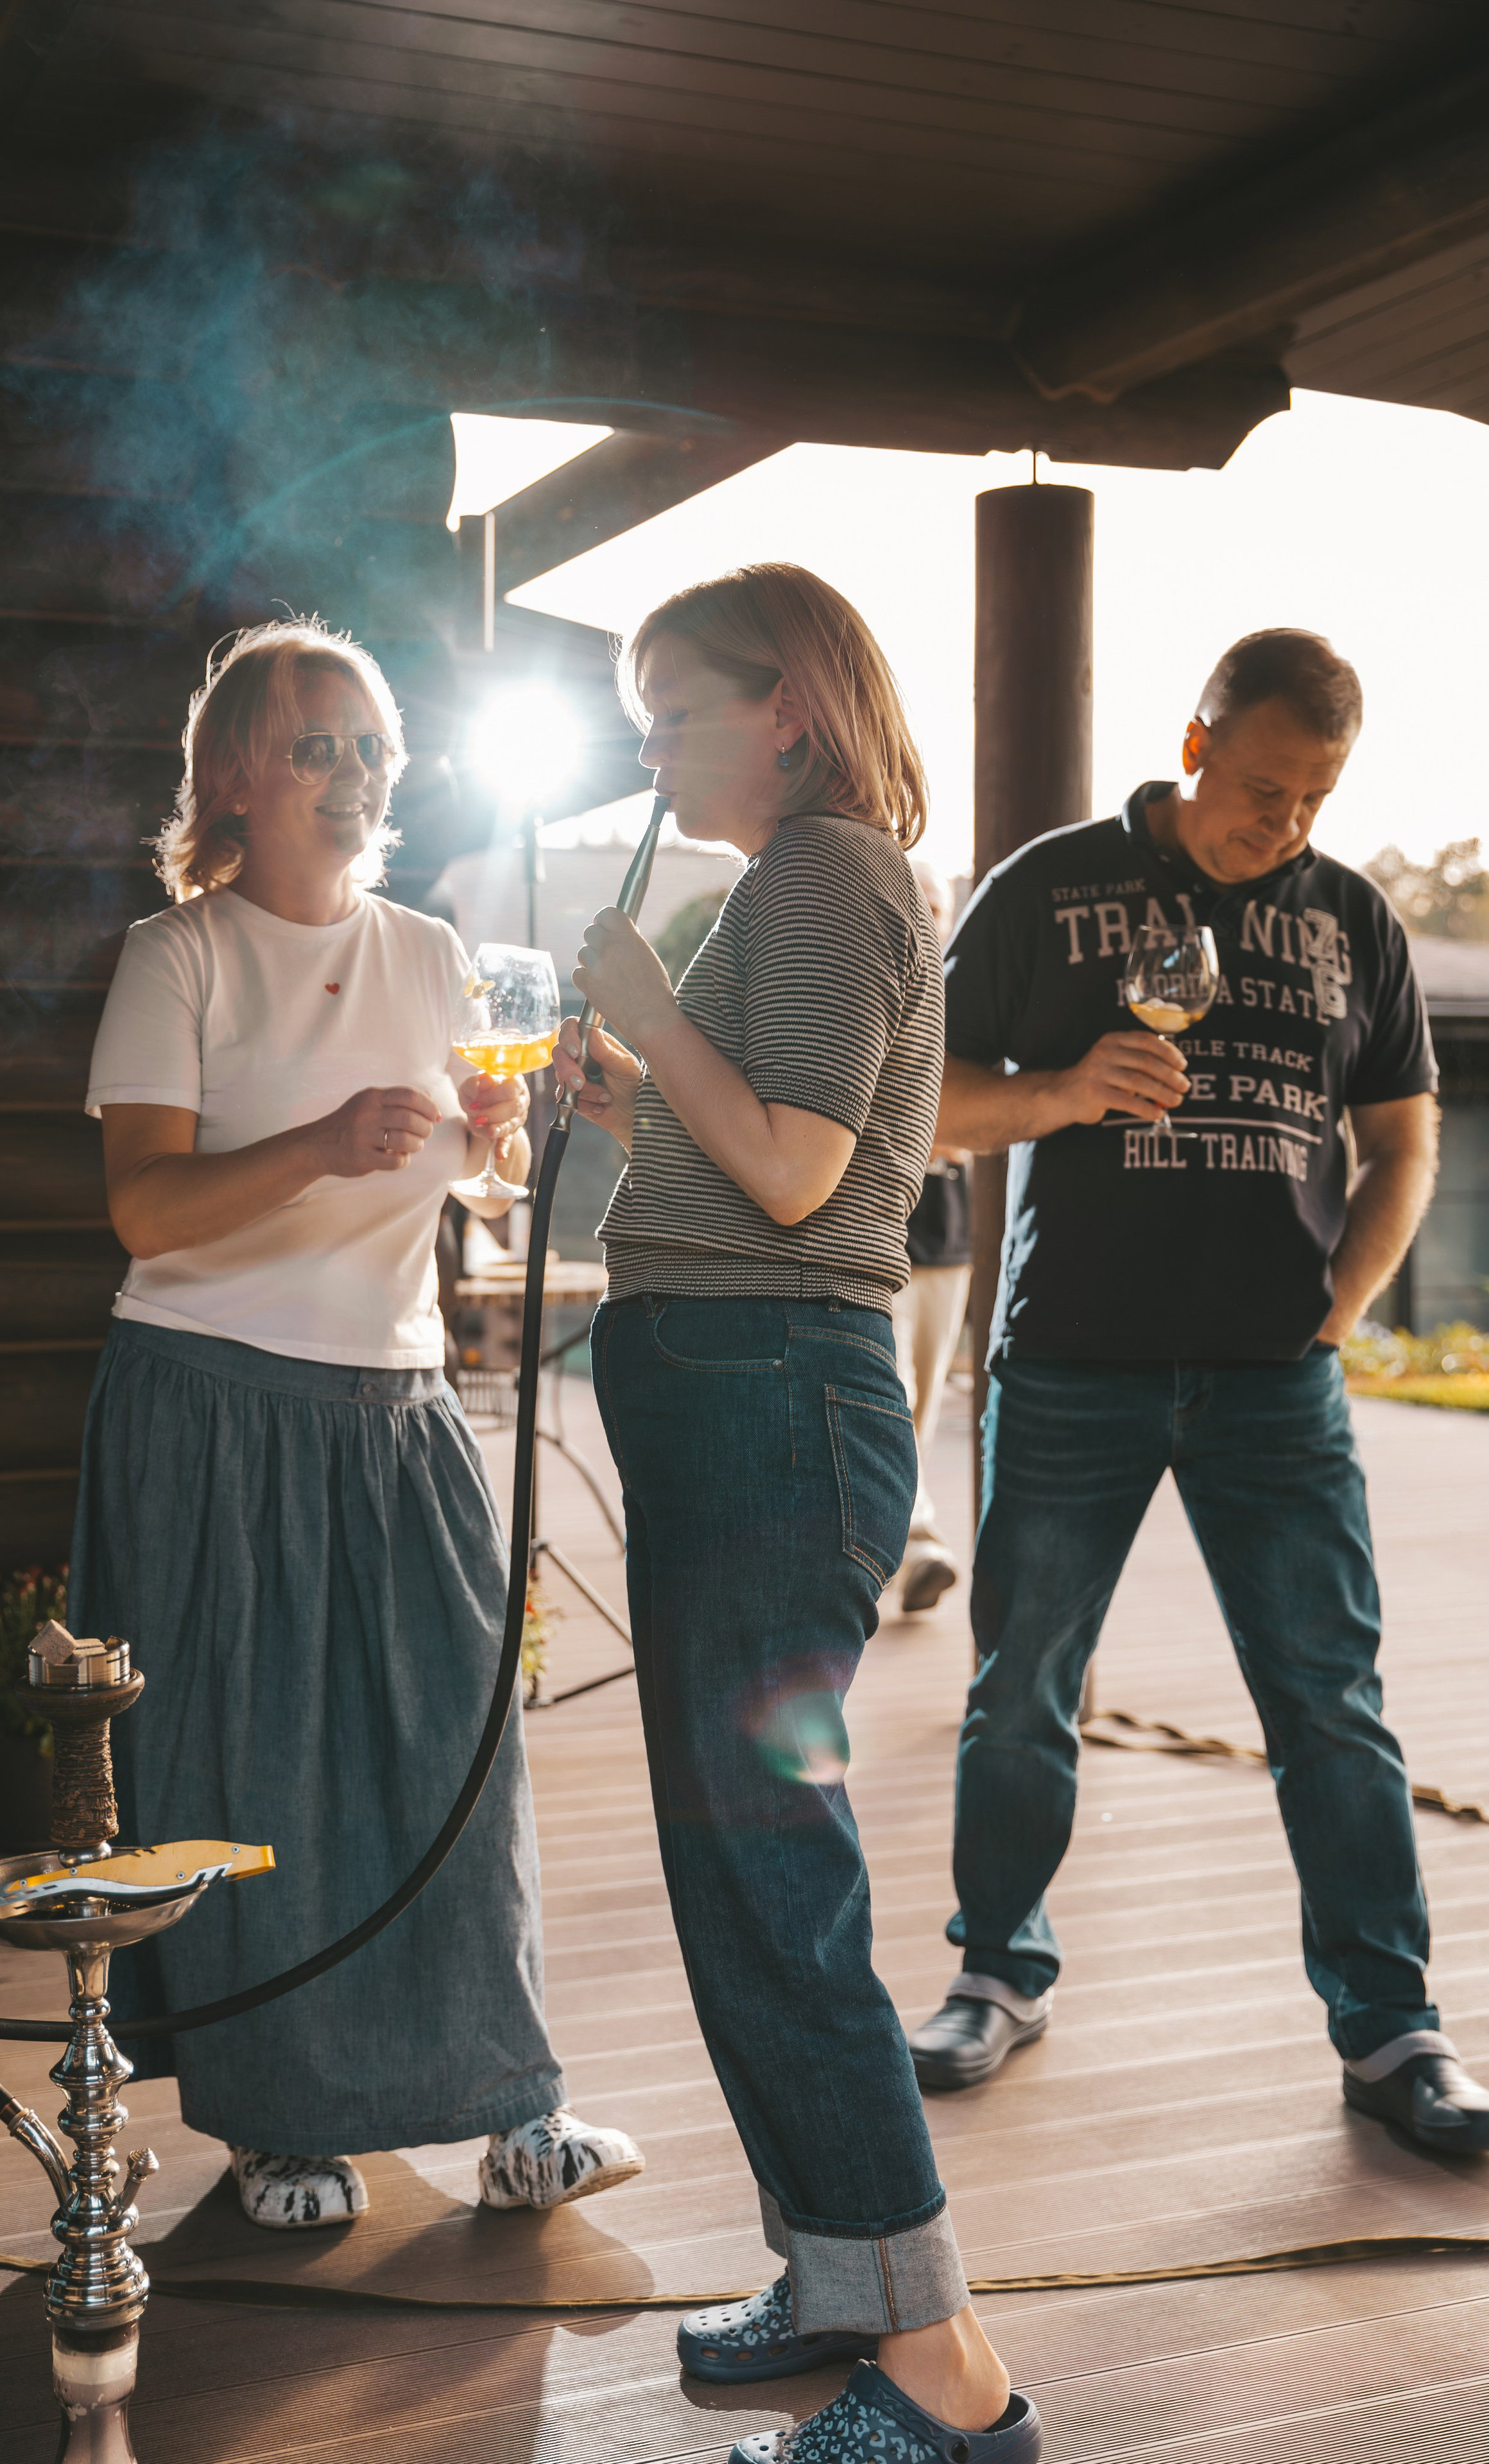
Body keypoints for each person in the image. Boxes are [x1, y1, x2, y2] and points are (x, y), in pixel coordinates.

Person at [554, 567, 1042, 2463]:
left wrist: (646, 1008)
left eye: (673, 707)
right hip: (724, 1393)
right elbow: (732, 1143)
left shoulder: (827, 871)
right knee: (730, 1867)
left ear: (792, 710)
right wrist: (620, 1093)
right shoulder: (788, 887)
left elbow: (795, 1167)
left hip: (772, 1402)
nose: (650, 744)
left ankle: (945, 2375)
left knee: (776, 1878)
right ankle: (841, 2269)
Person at [69, 617, 642, 2229]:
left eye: (370, 744)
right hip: (212, 1397)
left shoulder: (431, 955)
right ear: (233, 774)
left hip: (396, 1403)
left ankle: (510, 2104)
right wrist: (319, 1139)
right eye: (312, 743)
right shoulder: (174, 957)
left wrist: (487, 1138)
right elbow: (144, 1208)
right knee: (250, 1761)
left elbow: (477, 1174)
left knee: (452, 1738)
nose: (348, 772)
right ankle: (279, 2122)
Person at [909, 628, 1489, 2157]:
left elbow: (1402, 1141)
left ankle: (1388, 2028)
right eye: (1256, 786)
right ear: (1192, 739)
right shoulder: (1044, 886)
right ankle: (994, 1969)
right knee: (1018, 1689)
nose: (1277, 824)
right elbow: (921, 1106)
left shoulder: (1347, 914)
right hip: (1066, 1360)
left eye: (1309, 798)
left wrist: (1338, 1309)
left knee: (1328, 1701)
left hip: (1269, 1381)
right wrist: (1060, 1090)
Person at [894, 857, 972, 1613]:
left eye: (939, 905)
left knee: (919, 1407)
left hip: (950, 1239)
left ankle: (900, 1539)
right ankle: (916, 1542)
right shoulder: (869, 985)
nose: (929, 914)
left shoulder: (964, 1004)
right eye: (917, 900)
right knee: (889, 1399)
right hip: (877, 1237)